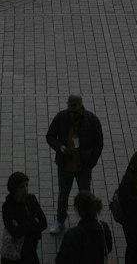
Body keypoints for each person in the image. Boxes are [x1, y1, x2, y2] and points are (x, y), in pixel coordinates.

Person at [45, 93, 104, 235]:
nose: (72, 113)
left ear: (81, 106)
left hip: (83, 166)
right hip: (65, 165)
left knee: (85, 194)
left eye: (75, 109)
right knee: (63, 195)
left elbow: (99, 143)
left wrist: (90, 163)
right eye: (70, 109)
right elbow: (50, 136)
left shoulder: (91, 120)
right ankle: (60, 220)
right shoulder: (61, 117)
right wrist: (60, 147)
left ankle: (89, 220)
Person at [1, 171, 49, 264]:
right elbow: (15, 232)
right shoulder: (7, 207)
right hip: (13, 254)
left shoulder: (31, 199)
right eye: (22, 187)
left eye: (27, 185)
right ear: (14, 189)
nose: (26, 189)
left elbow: (44, 223)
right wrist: (33, 223)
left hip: (31, 249)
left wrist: (24, 226)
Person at [54, 190, 113, 264]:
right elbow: (108, 248)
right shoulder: (104, 227)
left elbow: (60, 260)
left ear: (80, 211)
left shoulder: (72, 234)